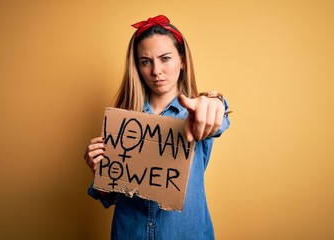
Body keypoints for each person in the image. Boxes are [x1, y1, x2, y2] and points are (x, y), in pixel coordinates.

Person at [84, 15, 230, 240]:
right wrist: (101, 173)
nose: (156, 71)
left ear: (182, 60)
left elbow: (218, 120)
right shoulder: (123, 124)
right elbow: (109, 195)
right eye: (146, 61)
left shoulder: (195, 114)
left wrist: (215, 103)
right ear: (137, 67)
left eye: (165, 58)